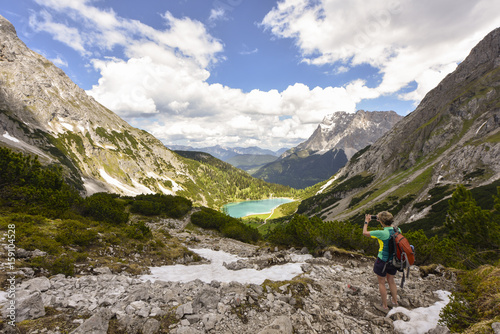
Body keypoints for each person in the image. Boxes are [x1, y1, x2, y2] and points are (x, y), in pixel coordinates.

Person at [362, 211, 398, 312]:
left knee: (381, 282)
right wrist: (382, 219)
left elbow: (365, 233)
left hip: (382, 261)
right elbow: (391, 225)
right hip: (394, 260)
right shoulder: (398, 230)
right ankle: (395, 301)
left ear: (381, 222)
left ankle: (385, 306)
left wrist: (366, 222)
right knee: (391, 280)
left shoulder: (381, 233)